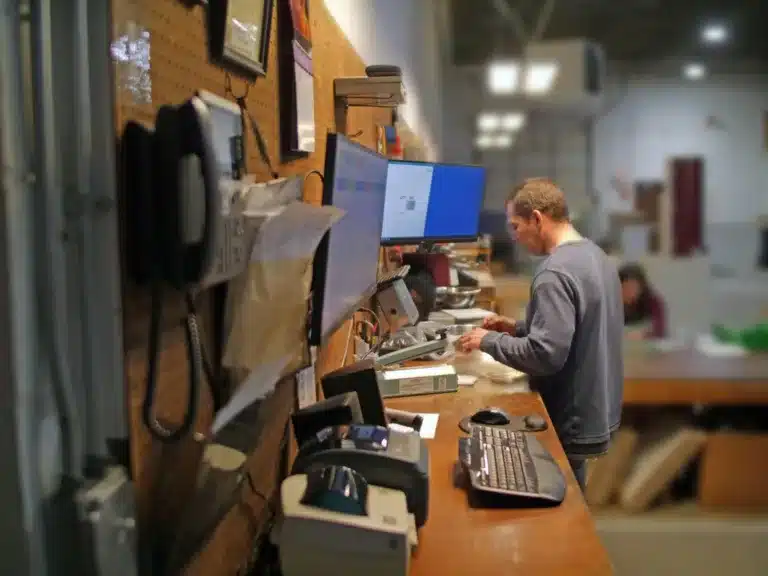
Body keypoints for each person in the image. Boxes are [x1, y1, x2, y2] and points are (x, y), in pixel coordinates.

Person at [456, 178, 624, 491]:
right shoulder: (597, 257)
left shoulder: (553, 273)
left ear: (537, 218)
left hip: (570, 421)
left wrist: (487, 341)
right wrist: (517, 328)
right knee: (573, 501)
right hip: (598, 409)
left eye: (516, 227)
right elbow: (579, 330)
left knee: (562, 513)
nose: (515, 238)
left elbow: (545, 355)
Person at [619, 263, 667, 340]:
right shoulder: (611, 303)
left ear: (642, 287)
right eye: (625, 288)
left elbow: (660, 329)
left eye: (634, 288)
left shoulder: (653, 301)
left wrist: (645, 334)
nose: (630, 292)